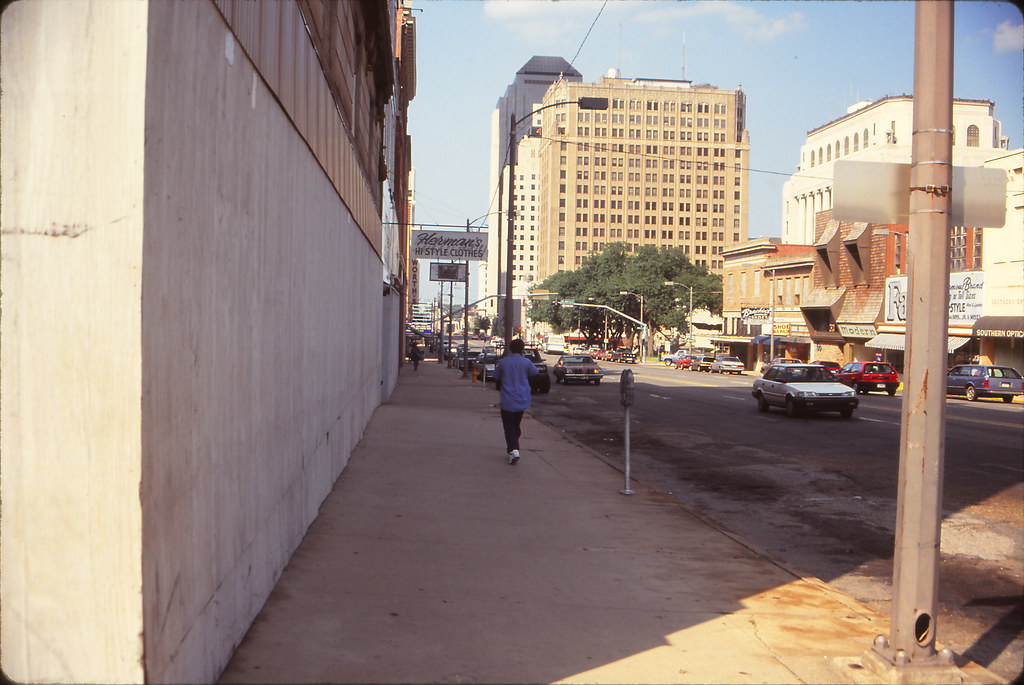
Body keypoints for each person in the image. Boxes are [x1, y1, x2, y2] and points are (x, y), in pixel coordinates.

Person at [492, 338, 538, 465]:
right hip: (522, 399)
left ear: (510, 348)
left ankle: (513, 449)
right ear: (522, 349)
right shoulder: (526, 362)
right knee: (516, 425)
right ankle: (513, 447)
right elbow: (535, 373)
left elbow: (495, 377)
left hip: (507, 399)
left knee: (509, 426)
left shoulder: (504, 362)